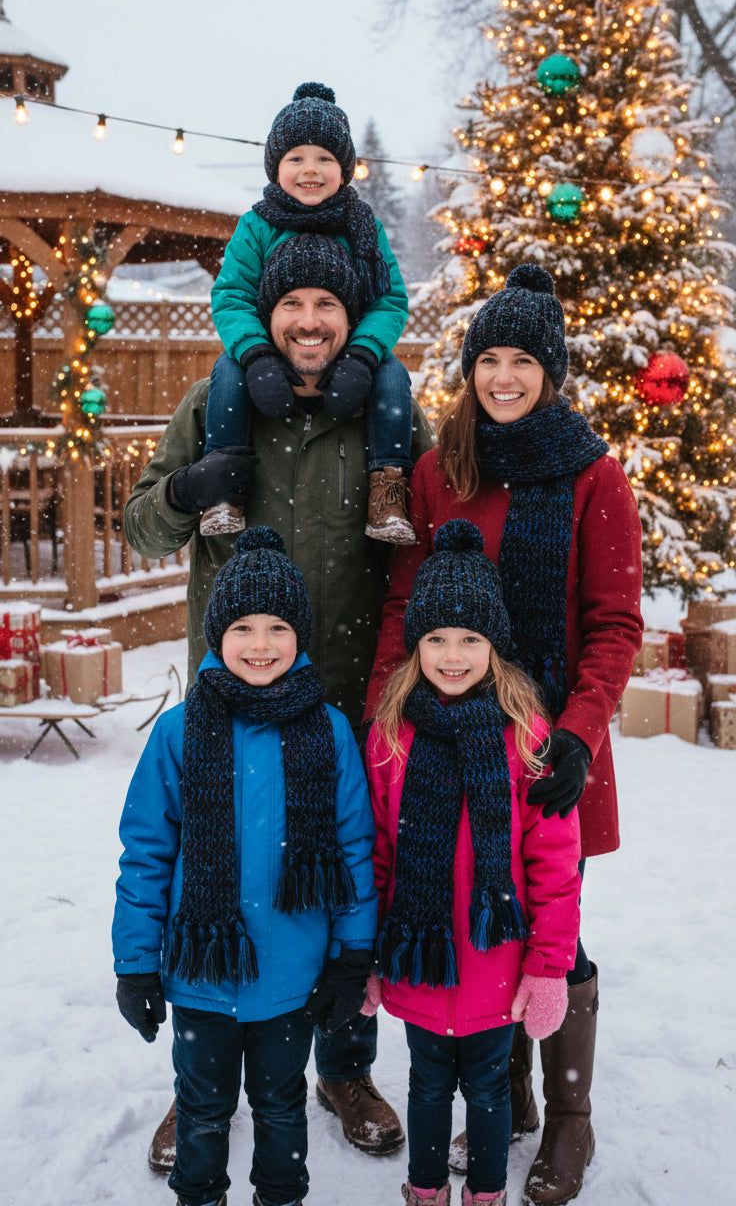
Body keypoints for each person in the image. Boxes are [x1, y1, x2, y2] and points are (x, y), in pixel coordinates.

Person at [123, 232, 435, 1173]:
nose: (308, 323)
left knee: (345, 876)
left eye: (327, 309)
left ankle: (342, 1063)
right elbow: (140, 526)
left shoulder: (384, 411)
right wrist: (186, 489)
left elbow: (428, 537)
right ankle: (200, 1084)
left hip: (350, 693)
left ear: (350, 322)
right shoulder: (211, 403)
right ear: (268, 316)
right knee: (211, 861)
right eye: (292, 306)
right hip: (232, 697)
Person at [365, 262, 644, 1206]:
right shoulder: (445, 471)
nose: (505, 377)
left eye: (524, 360)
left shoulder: (595, 476)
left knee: (551, 911)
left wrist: (577, 732)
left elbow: (614, 622)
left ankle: (567, 1113)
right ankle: (505, 1091)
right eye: (490, 358)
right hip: (440, 736)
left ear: (550, 372)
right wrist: (381, 718)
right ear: (472, 368)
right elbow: (408, 603)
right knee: (464, 904)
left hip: (550, 746)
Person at [113, 526, 378, 1206]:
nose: (260, 645)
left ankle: (280, 1196)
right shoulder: (178, 732)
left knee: (281, 1109)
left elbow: (352, 850)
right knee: (201, 1109)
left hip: (292, 977)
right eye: (243, 627)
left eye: (278, 627)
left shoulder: (329, 730)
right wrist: (135, 963)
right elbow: (147, 852)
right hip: (200, 972)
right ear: (215, 634)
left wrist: (353, 958)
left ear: (302, 635)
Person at [362, 518, 582, 1206]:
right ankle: (424, 1190)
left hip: (498, 964)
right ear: (415, 646)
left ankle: (485, 1195)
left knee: (489, 1090)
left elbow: (554, 865)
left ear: (495, 646)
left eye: (469, 640)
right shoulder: (392, 739)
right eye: (435, 639)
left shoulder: (527, 738)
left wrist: (549, 968)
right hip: (418, 964)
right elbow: (375, 855)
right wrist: (364, 953)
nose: (452, 656)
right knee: (426, 1085)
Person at [201, 80, 416, 546]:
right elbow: (232, 295)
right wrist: (256, 356)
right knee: (225, 371)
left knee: (394, 376)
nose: (310, 170)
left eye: (325, 159)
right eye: (295, 158)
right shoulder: (257, 225)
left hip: (345, 351)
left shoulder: (362, 226)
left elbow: (389, 299)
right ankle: (223, 485)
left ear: (345, 168)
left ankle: (388, 490)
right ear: (276, 167)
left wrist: (362, 357)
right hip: (273, 351)